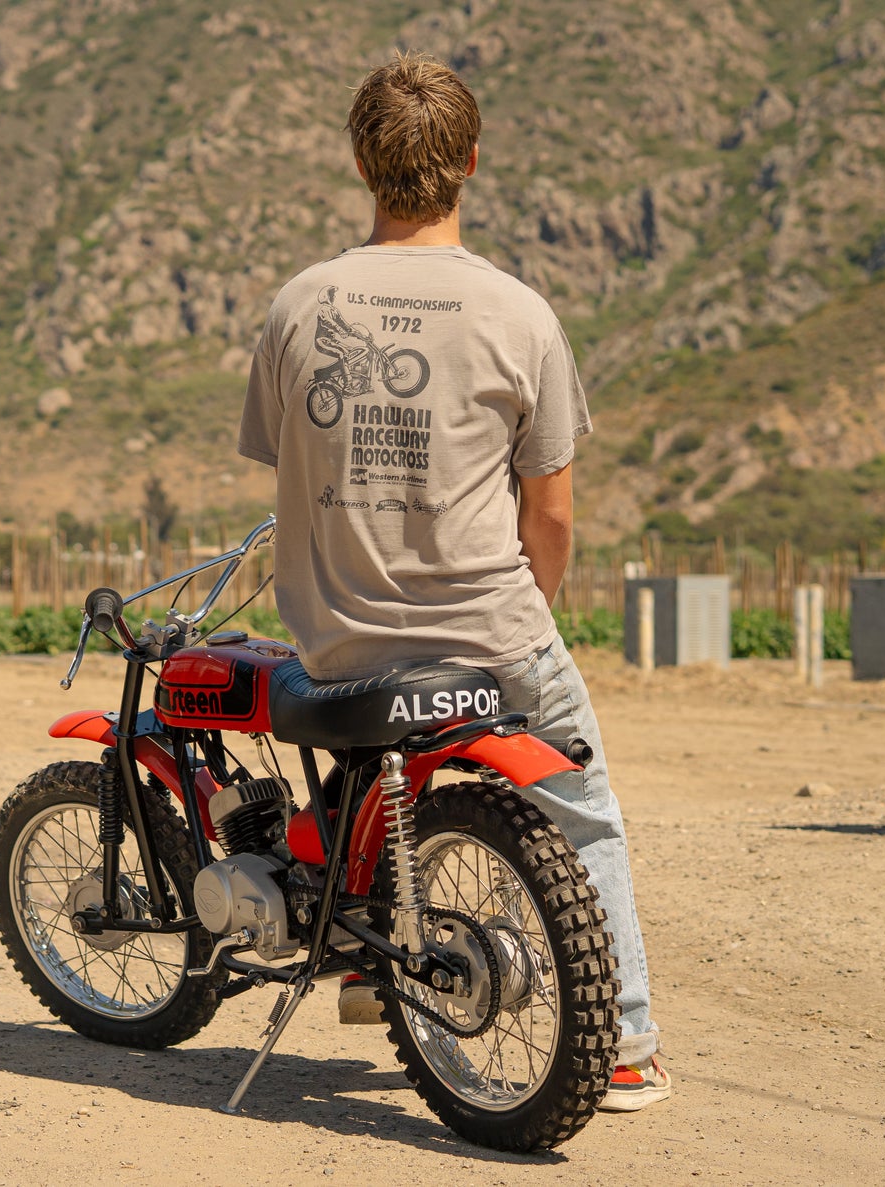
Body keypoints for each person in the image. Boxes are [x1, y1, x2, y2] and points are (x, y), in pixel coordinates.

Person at [237, 50, 667, 1113]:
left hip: (340, 645)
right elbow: (551, 513)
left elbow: (288, 466)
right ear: (469, 162)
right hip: (489, 635)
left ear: (359, 163)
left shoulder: (299, 306)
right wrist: (529, 619)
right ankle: (620, 1047)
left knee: (349, 767)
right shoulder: (519, 314)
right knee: (584, 814)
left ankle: (351, 951)